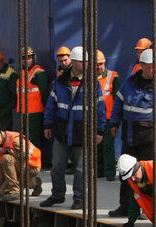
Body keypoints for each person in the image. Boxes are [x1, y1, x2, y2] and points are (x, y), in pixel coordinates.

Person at [108, 48, 156, 217]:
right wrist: (114, 122)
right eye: (151, 67)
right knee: (126, 173)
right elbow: (118, 103)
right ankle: (125, 207)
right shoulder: (129, 83)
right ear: (142, 66)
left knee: (149, 175)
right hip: (130, 136)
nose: (155, 70)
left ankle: (149, 208)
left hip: (151, 138)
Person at [40, 46, 106, 209]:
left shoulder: (92, 83)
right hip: (62, 131)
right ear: (75, 62)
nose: (86, 64)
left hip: (82, 132)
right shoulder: (60, 82)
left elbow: (100, 109)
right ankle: (57, 195)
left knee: (80, 169)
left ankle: (79, 198)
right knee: (57, 166)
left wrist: (99, 130)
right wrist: (47, 124)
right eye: (83, 61)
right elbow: (51, 105)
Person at [0, 121, 43, 201]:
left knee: (6, 158)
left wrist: (8, 150)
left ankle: (15, 191)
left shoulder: (14, 139)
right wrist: (0, 187)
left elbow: (26, 156)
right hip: (20, 166)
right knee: (3, 192)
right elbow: (2, 167)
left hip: (32, 166)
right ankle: (35, 182)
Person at [17, 47, 49, 149]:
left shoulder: (39, 73)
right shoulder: (22, 73)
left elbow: (45, 95)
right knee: (24, 140)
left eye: (29, 58)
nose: (26, 60)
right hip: (23, 113)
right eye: (23, 58)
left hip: (35, 114)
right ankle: (27, 162)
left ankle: (34, 164)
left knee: (33, 141)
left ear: (33, 58)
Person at [97, 49, 120, 181]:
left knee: (108, 146)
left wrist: (116, 120)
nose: (99, 67)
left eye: (101, 64)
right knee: (97, 147)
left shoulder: (113, 77)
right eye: (96, 64)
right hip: (95, 118)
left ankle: (110, 173)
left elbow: (117, 99)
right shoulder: (88, 78)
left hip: (109, 117)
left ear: (104, 63)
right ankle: (99, 171)